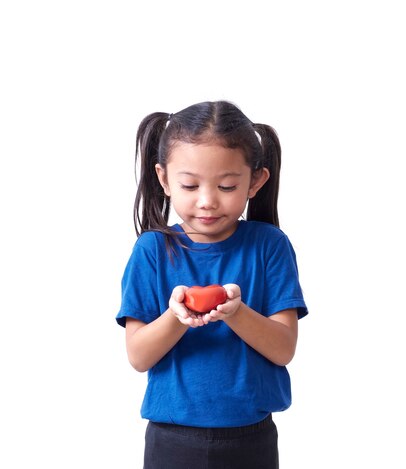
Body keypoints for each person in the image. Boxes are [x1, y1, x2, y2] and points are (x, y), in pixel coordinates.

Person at [116, 100, 308, 469]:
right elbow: (139, 356)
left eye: (226, 185)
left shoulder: (269, 245)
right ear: (164, 179)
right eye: (189, 185)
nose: (207, 201)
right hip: (172, 437)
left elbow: (283, 349)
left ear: (255, 181)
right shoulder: (153, 250)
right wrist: (177, 317)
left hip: (252, 436)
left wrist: (236, 313)